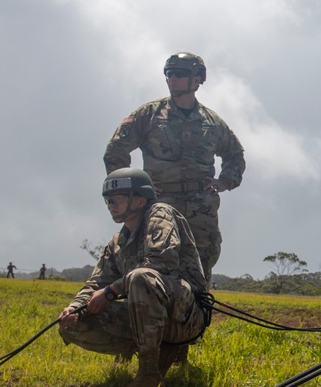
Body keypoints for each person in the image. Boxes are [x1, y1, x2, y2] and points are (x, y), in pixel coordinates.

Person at [59, 168, 210, 387]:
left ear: (140, 199)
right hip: (147, 318)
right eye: (107, 200)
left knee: (141, 277)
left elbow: (160, 262)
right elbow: (96, 281)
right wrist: (75, 308)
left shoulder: (160, 213)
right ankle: (153, 352)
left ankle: (149, 376)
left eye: (117, 198)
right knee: (73, 324)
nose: (111, 205)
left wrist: (110, 292)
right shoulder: (118, 241)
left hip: (186, 316)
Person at [104, 52, 245, 284]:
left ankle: (194, 317)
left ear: (197, 79)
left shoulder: (212, 122)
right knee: (153, 265)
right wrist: (133, 191)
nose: (172, 78)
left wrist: (224, 182)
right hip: (158, 204)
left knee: (200, 269)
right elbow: (115, 151)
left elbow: (235, 155)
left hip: (201, 210)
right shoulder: (148, 115)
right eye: (168, 74)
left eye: (179, 74)